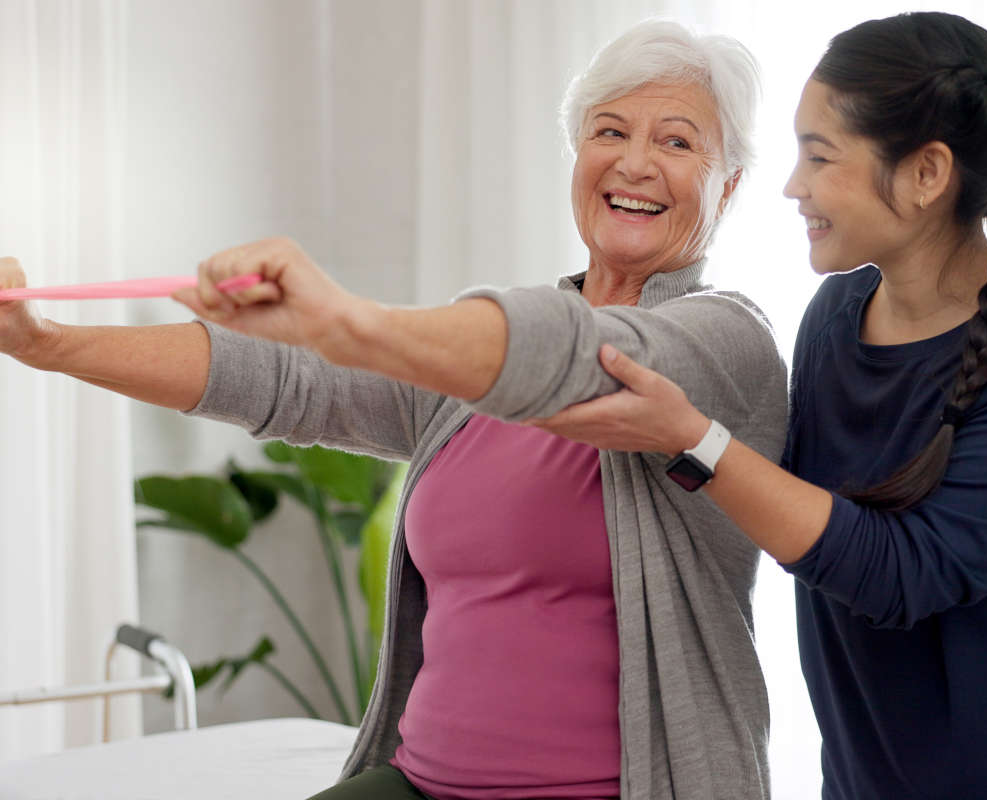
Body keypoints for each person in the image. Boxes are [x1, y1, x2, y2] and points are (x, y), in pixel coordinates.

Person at [0, 20, 786, 800]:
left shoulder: (724, 341)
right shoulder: (472, 356)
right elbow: (291, 381)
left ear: (730, 184)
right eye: (609, 131)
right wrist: (46, 344)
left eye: (679, 143)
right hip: (418, 786)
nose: (636, 161)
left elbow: (581, 360)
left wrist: (348, 320)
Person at [532, 12, 987, 800]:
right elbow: (797, 519)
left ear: (926, 175)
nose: (793, 185)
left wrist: (692, 439)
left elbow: (904, 574)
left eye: (820, 156)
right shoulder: (837, 315)